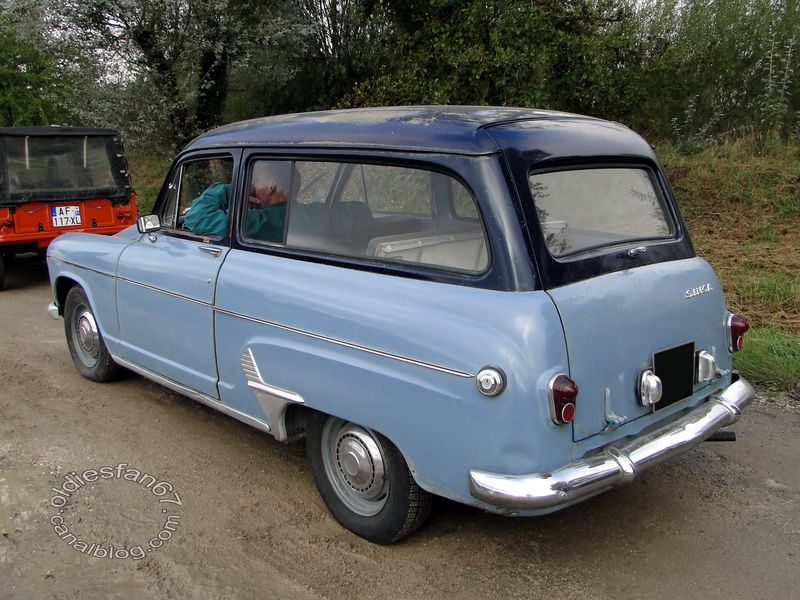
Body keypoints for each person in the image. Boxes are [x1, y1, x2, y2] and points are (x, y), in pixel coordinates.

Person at [184, 161, 294, 242]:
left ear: (271, 186)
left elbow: (197, 217)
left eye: (257, 181)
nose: (253, 186)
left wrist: (230, 191)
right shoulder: (293, 214)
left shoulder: (263, 221)